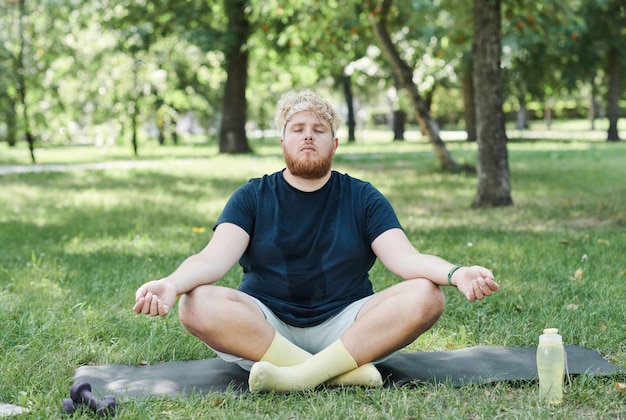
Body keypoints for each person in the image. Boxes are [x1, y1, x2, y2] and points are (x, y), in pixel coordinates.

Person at [133, 89, 500, 393]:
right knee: (195, 303)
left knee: (426, 295)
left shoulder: (363, 197)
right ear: (283, 141)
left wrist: (456, 273)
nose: (308, 135)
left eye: (319, 129)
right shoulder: (252, 196)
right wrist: (171, 284)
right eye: (298, 128)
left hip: (348, 327)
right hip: (265, 328)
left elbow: (406, 258)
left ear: (334, 143)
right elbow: (211, 259)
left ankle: (298, 376)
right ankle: (333, 372)